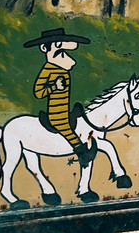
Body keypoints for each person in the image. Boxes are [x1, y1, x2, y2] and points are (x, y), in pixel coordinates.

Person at [25, 27, 96, 165]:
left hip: (64, 109)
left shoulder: (60, 68)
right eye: (61, 53)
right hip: (56, 114)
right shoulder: (47, 70)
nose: (71, 61)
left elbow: (72, 49)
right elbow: (38, 92)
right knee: (66, 128)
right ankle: (83, 155)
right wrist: (54, 87)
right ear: (44, 49)